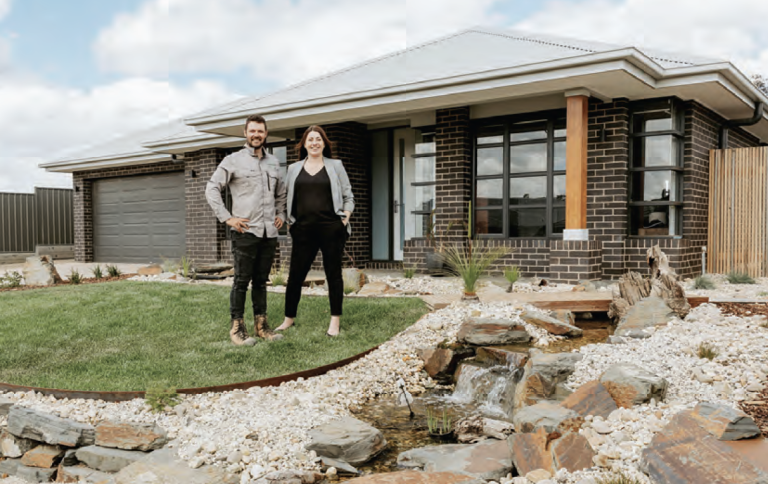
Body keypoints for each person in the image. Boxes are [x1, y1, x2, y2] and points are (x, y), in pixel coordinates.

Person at [205, 114, 286, 345]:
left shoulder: (273, 162)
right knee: (241, 281)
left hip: (268, 232)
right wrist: (227, 218)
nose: (256, 135)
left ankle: (262, 326)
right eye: (252, 131)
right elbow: (211, 189)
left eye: (260, 131)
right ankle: (237, 329)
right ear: (245, 133)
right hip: (245, 232)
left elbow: (281, 192)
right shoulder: (232, 160)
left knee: (261, 282)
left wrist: (281, 214)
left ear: (266, 133)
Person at [275, 126, 353, 336]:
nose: (315, 143)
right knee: (295, 276)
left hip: (331, 229)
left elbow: (348, 195)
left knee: (333, 275)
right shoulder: (293, 169)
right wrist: (290, 222)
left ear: (324, 143)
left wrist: (345, 217)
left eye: (318, 139)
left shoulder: (335, 165)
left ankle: (334, 322)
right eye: (311, 139)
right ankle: (288, 319)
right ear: (304, 144)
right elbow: (286, 197)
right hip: (303, 230)